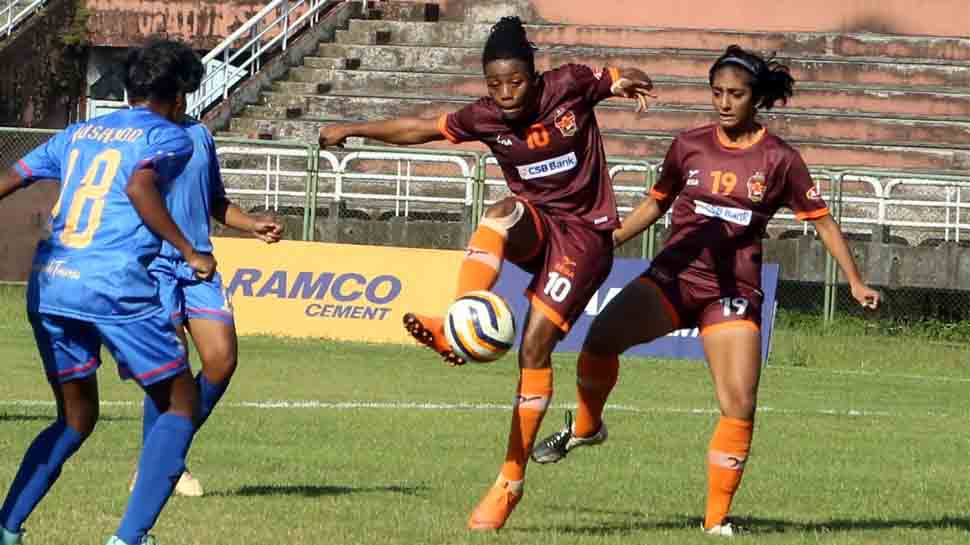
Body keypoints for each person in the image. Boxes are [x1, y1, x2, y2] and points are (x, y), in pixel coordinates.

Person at [319, 16, 655, 531]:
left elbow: (615, 75)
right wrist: (353, 128)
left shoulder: (569, 84)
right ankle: (459, 317)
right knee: (501, 209)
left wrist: (627, 76)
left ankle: (509, 483)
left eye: (515, 82)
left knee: (533, 348)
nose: (505, 94)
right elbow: (422, 129)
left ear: (534, 76)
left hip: (585, 240)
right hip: (539, 228)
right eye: (494, 84)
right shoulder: (486, 117)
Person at [530, 45, 881, 536]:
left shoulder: (780, 159)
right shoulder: (688, 145)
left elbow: (822, 223)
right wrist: (609, 241)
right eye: (716, 93)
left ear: (755, 98)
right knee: (599, 341)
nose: (723, 102)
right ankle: (587, 427)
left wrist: (854, 279)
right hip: (674, 280)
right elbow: (655, 205)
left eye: (734, 94)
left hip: (733, 293)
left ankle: (715, 522)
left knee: (739, 404)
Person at [0, 39, 213, 545]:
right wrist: (188, 249)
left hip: (52, 282)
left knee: (75, 417)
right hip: (113, 284)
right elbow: (140, 188)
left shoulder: (77, 133)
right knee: (181, 400)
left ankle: (7, 527)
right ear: (179, 97)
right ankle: (129, 539)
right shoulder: (173, 137)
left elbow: (12, 177)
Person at [134, 117, 284, 496]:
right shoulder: (137, 134)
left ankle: (163, 455)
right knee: (173, 367)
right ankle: (160, 467)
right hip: (152, 262)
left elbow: (214, 199)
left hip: (198, 263)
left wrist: (250, 223)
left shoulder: (199, 134)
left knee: (221, 359)